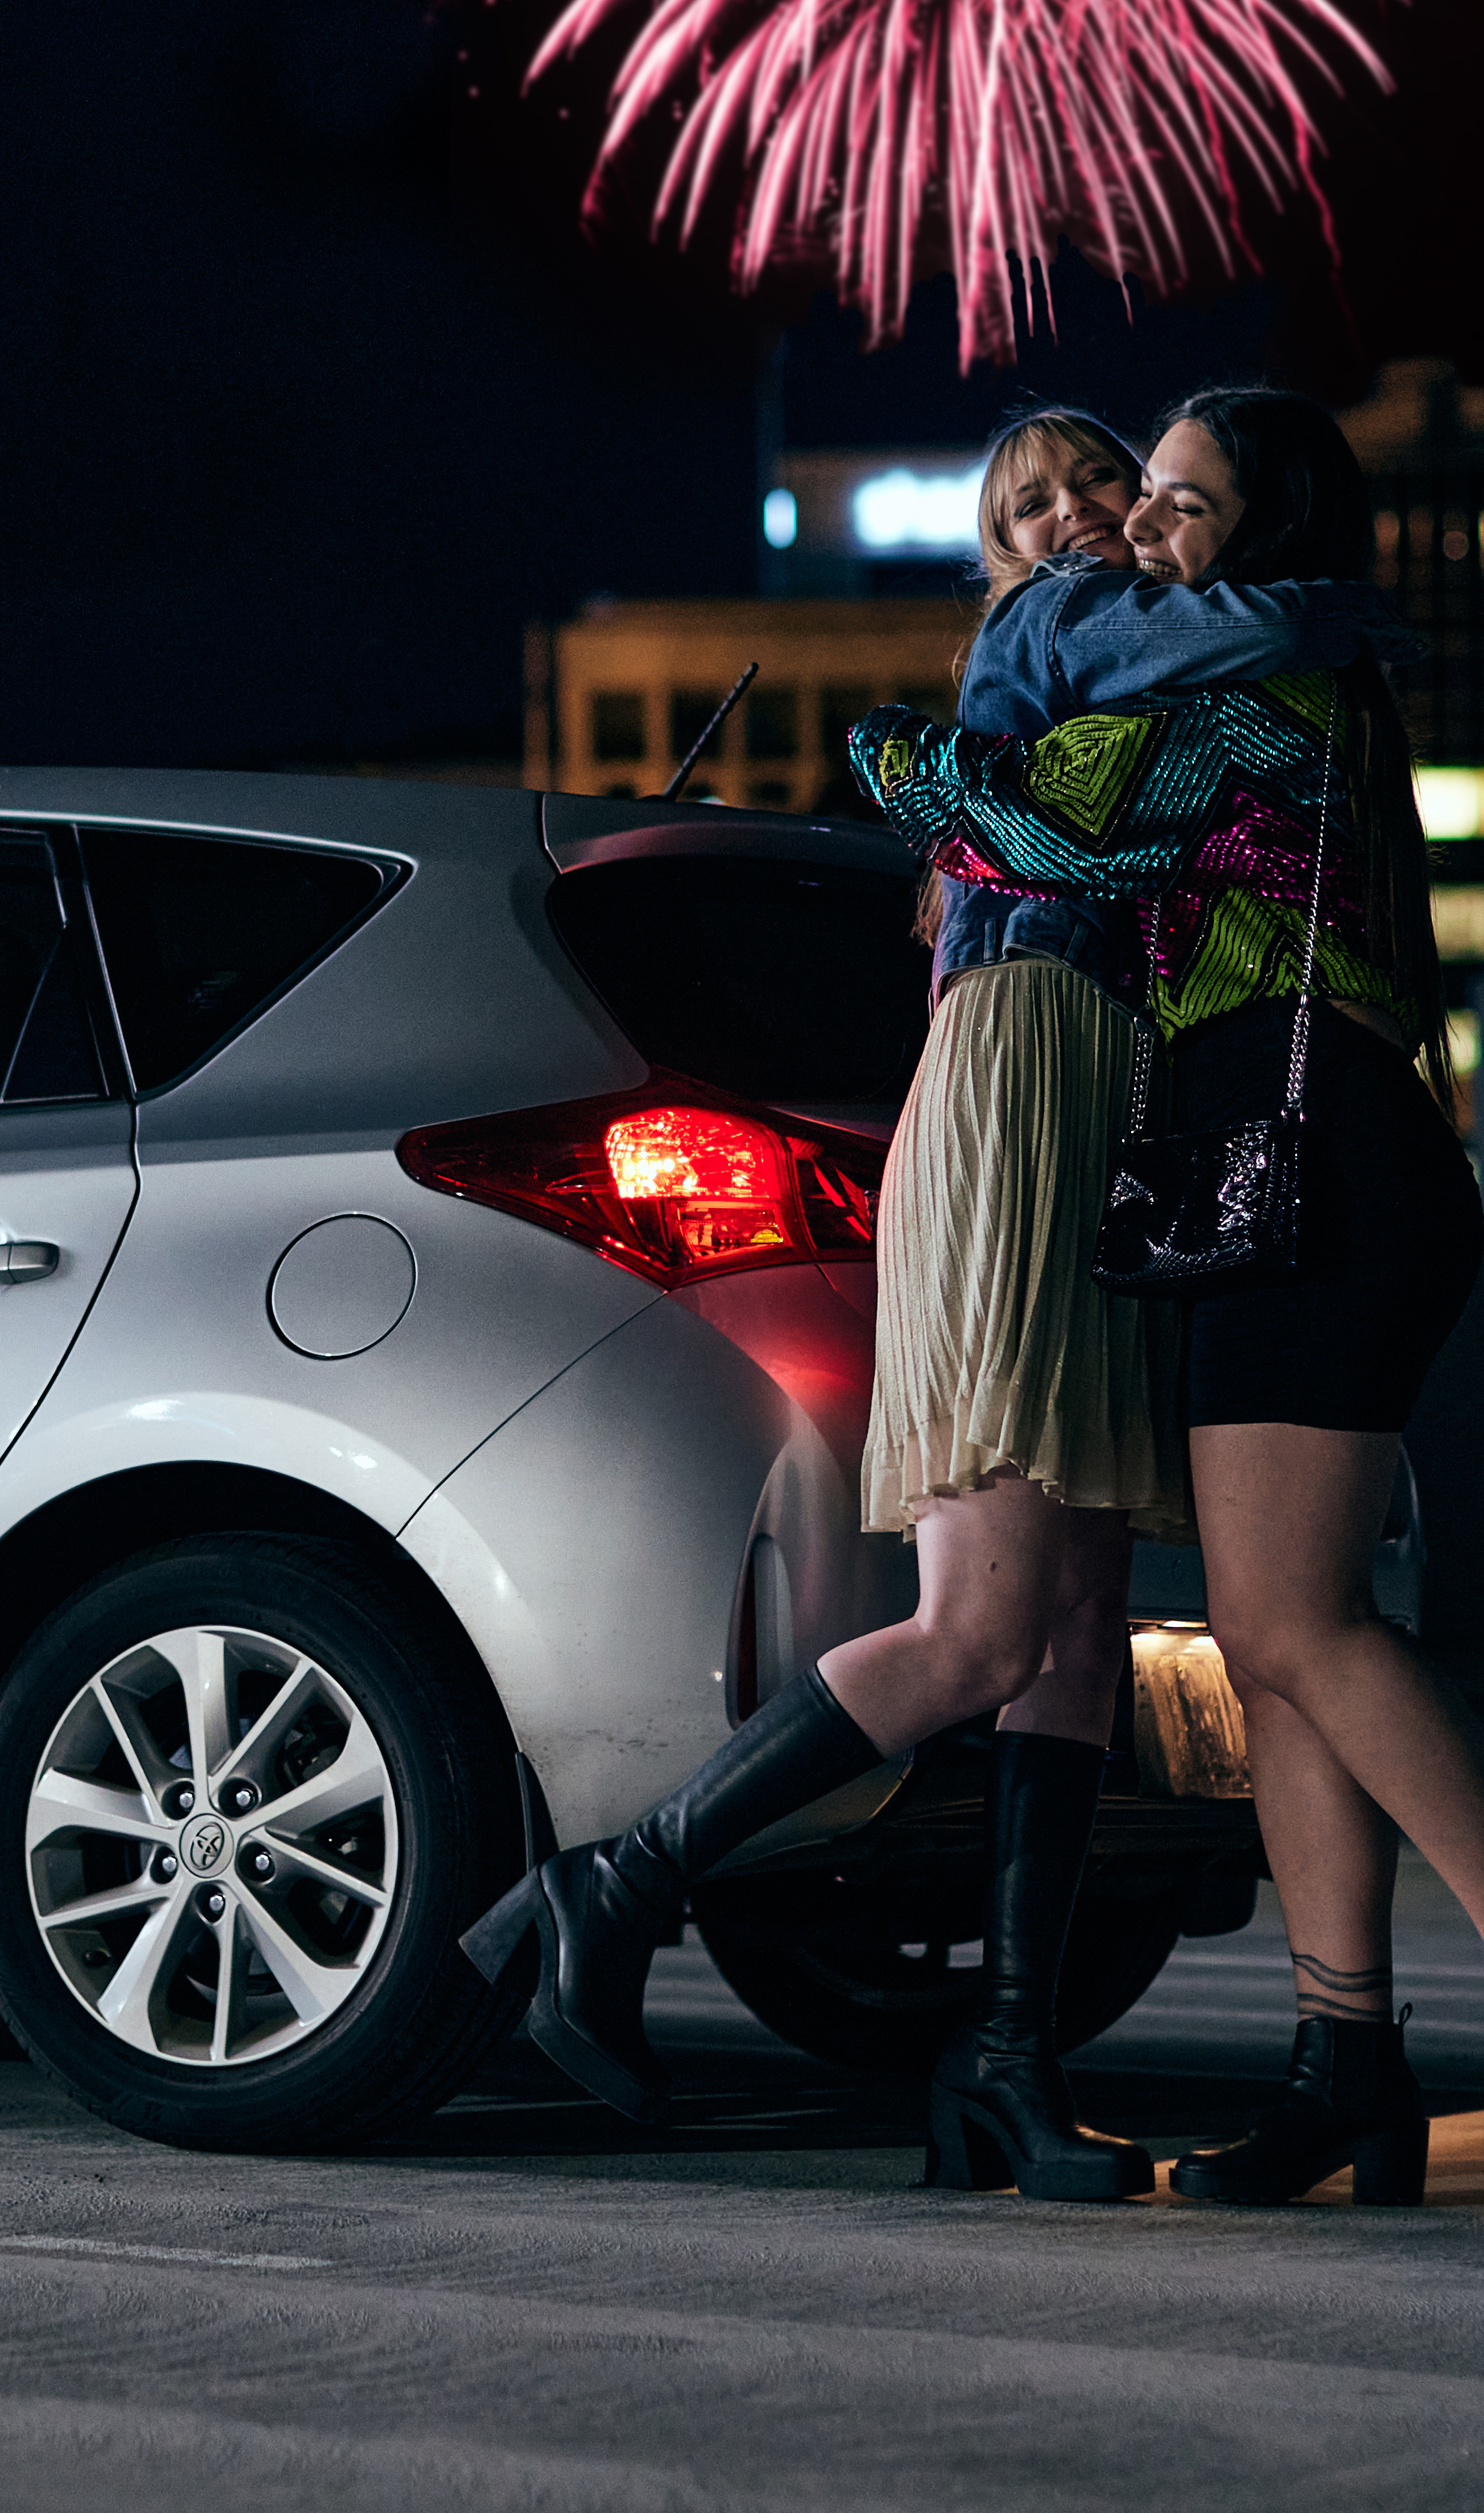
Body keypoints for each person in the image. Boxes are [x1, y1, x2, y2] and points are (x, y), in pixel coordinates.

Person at [462, 408, 1412, 2200]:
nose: (1067, 515)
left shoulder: (1088, 686)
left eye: (1092, 484)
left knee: (1072, 1627)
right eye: (1022, 504)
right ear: (987, 556)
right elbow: (1154, 756)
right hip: (1021, 1092)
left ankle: (1001, 2066)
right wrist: (1336, 619)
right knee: (984, 1625)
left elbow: (1132, 838)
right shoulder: (1052, 634)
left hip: (1107, 1113)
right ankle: (614, 1881)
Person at [905, 387, 1484, 2206]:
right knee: (1274, 1648)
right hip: (1277, 1156)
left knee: (1300, 1629)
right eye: (1144, 499)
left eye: (1180, 504)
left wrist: (917, 742)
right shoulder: (1260, 682)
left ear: (1260, 537)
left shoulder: (1246, 701)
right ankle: (1342, 2057)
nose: (1144, 531)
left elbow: (997, 815)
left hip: (1315, 1151)